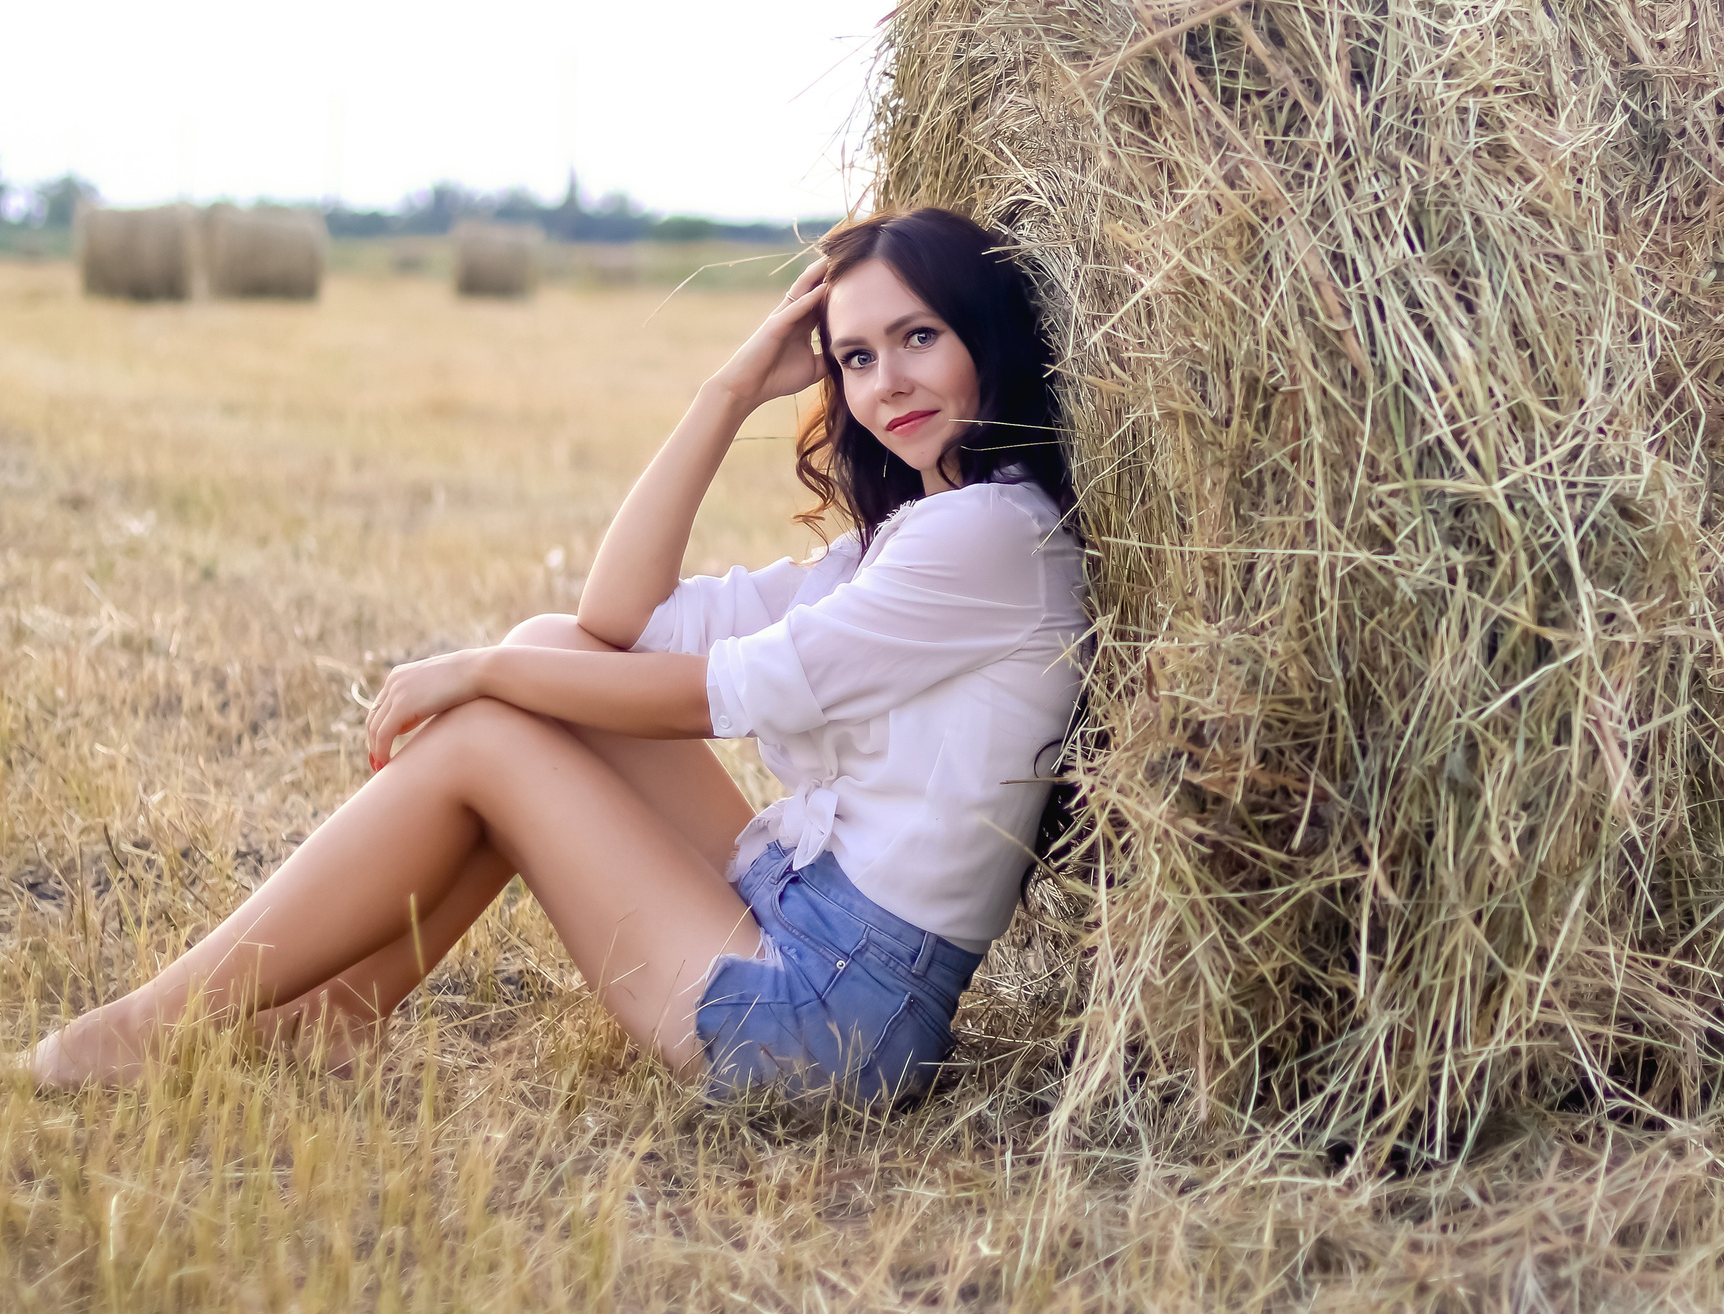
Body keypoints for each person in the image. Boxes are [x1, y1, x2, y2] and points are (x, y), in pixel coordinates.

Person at [28, 206, 1088, 1101]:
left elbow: (712, 694)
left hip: (833, 1018)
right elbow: (616, 620)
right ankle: (343, 1009)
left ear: (983, 335)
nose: (886, 381)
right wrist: (725, 395)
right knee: (548, 652)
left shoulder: (990, 535)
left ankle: (142, 1030)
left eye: (918, 338)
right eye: (855, 356)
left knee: (493, 729)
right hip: (820, 929)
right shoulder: (901, 543)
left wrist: (479, 670)